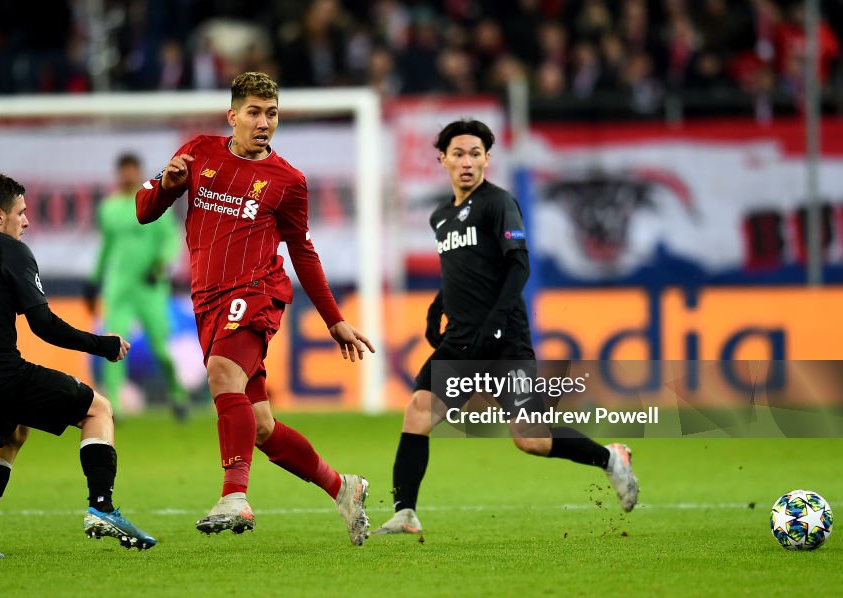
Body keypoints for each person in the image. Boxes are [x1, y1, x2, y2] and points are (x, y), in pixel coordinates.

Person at [135, 71, 375, 546]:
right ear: (233, 116)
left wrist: (335, 319)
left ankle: (234, 497)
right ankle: (342, 487)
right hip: (207, 300)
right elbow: (144, 209)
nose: (264, 122)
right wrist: (165, 183)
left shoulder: (287, 181)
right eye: (254, 112)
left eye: (272, 113)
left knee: (223, 375)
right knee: (261, 426)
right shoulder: (200, 151)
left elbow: (303, 252)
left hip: (258, 291)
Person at [371, 120, 639, 536]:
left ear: (487, 159)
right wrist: (435, 308)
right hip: (461, 343)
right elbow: (463, 271)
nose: (467, 161)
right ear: (442, 159)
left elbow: (518, 264)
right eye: (458, 153)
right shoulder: (441, 217)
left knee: (529, 438)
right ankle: (405, 511)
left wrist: (494, 325)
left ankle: (610, 459)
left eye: (475, 153)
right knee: (418, 412)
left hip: (504, 342)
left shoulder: (499, 203)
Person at [0, 172, 155, 558]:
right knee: (98, 409)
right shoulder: (7, 249)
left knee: (13, 432)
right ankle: (101, 507)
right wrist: (103, 344)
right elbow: (44, 325)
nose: (27, 221)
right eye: (22, 212)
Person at [86, 152, 189, 420]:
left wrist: (160, 266)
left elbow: (170, 240)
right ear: (119, 173)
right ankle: (115, 407)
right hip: (119, 287)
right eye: (124, 171)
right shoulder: (109, 208)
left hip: (150, 287)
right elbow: (106, 248)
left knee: (161, 349)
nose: (128, 176)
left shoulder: (153, 201)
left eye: (132, 170)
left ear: (138, 171)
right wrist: (95, 280)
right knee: (113, 346)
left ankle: (177, 395)